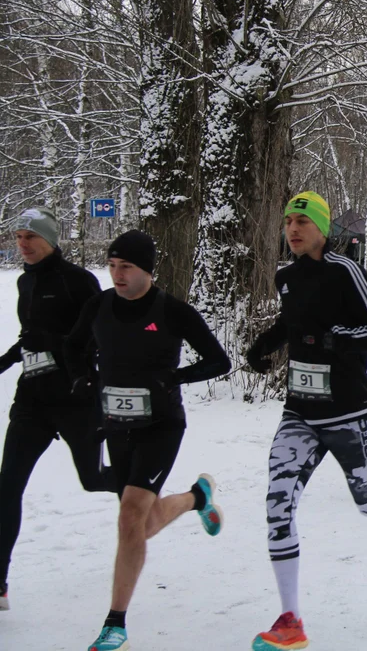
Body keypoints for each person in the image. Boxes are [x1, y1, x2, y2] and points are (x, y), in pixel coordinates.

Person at [245, 193, 367, 651]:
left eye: (302, 221)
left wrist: (334, 340)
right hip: (300, 412)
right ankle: (290, 618)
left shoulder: (346, 271)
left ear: (323, 229)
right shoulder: (285, 275)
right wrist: (262, 346)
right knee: (278, 502)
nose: (293, 229)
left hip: (349, 412)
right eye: (288, 220)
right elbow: (292, 324)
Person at [64, 230, 230, 651]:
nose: (117, 274)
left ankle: (114, 622)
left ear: (147, 271)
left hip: (161, 426)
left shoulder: (172, 311)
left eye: (127, 267)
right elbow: (73, 348)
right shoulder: (99, 305)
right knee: (143, 522)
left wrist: (174, 377)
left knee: (130, 517)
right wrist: (83, 377)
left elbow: (218, 360)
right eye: (113, 265)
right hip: (117, 426)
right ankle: (196, 498)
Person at [0, 207, 114, 612]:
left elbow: (96, 337)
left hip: (75, 398)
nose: (22, 244)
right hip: (32, 399)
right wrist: (9, 358)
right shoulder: (24, 284)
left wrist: (56, 344)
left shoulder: (78, 282)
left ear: (50, 240)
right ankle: (0, 584)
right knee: (7, 487)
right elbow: (30, 338)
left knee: (96, 479)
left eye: (30, 237)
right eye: (18, 237)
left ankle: (164, 493)